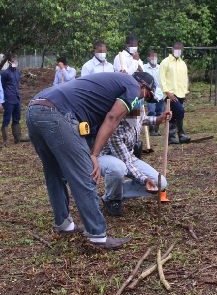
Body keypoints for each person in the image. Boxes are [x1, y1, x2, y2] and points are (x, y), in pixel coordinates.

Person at [26, 71, 157, 250]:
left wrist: (91, 150)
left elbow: (88, 129)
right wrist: (94, 155)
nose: (143, 101)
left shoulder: (108, 84)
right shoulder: (133, 87)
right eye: (147, 97)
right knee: (86, 174)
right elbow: (112, 118)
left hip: (35, 109)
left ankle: (64, 224)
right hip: (58, 113)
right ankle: (97, 236)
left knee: (54, 172)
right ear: (143, 87)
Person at [98, 109, 172, 216]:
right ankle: (112, 199)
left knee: (160, 183)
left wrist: (158, 119)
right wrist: (145, 179)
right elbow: (126, 162)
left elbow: (142, 120)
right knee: (118, 168)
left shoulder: (136, 108)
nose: (136, 114)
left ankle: (114, 193)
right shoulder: (114, 127)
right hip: (107, 157)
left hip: (128, 155)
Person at [159, 42, 191, 144]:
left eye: (180, 49)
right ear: (172, 49)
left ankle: (171, 137)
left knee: (173, 115)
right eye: (176, 48)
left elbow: (185, 78)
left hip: (181, 93)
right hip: (170, 94)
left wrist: (185, 91)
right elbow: (161, 78)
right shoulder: (165, 62)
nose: (177, 51)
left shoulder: (183, 63)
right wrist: (167, 92)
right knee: (180, 111)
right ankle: (181, 133)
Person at [0, 54, 30, 145]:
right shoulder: (5, 73)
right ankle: (5, 140)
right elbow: (1, 87)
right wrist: (2, 99)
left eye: (16, 61)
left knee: (17, 118)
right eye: (13, 61)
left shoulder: (17, 72)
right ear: (9, 62)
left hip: (17, 98)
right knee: (7, 118)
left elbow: (16, 85)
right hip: (8, 99)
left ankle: (17, 137)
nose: (15, 63)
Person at [143, 50, 165, 136]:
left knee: (159, 111)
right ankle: (151, 130)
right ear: (148, 58)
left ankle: (156, 129)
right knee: (151, 111)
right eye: (152, 57)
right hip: (150, 93)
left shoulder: (160, 68)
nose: (154, 59)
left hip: (160, 93)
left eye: (155, 57)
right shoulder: (144, 68)